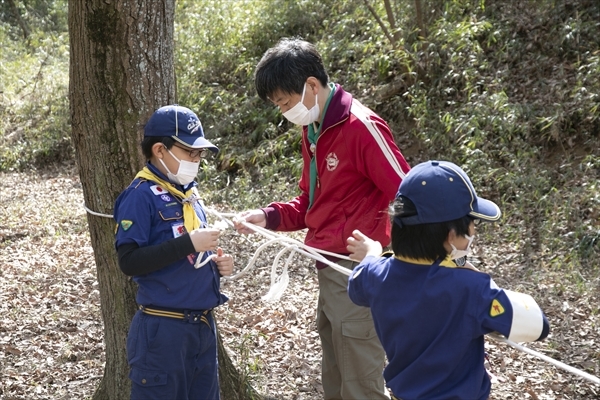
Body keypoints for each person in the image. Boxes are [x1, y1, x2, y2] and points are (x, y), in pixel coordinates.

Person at [234, 37, 411, 400]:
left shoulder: (361, 127)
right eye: (278, 106)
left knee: (361, 385)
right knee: (335, 379)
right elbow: (312, 203)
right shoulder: (313, 130)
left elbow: (410, 195)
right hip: (327, 269)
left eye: (286, 102)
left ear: (312, 86)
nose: (285, 112)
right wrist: (268, 216)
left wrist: (395, 257)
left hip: (355, 273)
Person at [346, 160, 550, 400]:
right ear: (452, 235)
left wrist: (372, 252)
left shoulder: (376, 275)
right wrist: (472, 273)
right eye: (473, 224)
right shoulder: (472, 289)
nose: (474, 232)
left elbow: (357, 282)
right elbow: (539, 326)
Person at [113, 105, 234, 400]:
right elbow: (129, 261)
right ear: (160, 150)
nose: (197, 160)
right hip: (163, 330)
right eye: (190, 152)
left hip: (203, 327)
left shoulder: (189, 193)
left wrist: (217, 263)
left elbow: (190, 255)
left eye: (199, 154)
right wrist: (190, 243)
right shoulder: (139, 196)